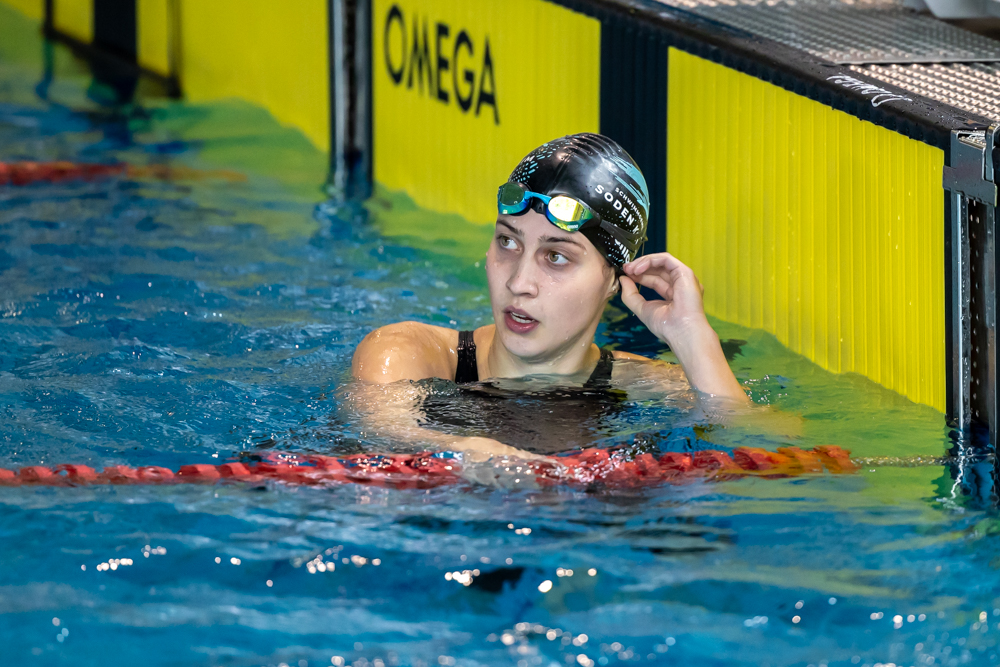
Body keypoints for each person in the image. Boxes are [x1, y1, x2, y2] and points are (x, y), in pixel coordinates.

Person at [350, 133, 749, 460]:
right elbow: (383, 431)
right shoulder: (406, 355)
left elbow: (754, 442)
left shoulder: (647, 383)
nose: (519, 282)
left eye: (556, 256)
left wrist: (693, 338)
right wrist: (471, 452)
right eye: (508, 241)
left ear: (615, 279)